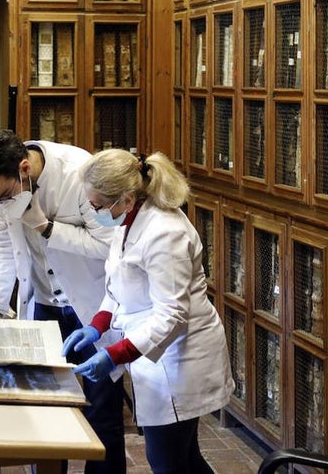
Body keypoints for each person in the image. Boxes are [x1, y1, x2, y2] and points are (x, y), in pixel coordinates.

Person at [0, 128, 128, 473]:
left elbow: (108, 245)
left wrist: (47, 228)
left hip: (91, 307)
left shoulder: (79, 171)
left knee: (101, 413)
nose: (2, 204)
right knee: (46, 411)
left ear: (23, 168)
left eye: (5, 196)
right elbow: (4, 251)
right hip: (43, 304)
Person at [64, 149, 233, 474]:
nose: (95, 211)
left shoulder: (165, 233)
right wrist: (98, 326)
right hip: (157, 355)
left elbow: (171, 315)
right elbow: (118, 283)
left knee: (167, 461)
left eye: (98, 205)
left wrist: (115, 354)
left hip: (181, 359)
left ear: (125, 198)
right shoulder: (128, 219)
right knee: (182, 459)